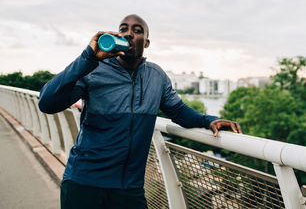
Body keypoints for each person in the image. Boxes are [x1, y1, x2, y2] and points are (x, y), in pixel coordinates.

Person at [39, 14, 242, 209]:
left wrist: (209, 121)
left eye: (137, 30)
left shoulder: (157, 76)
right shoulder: (94, 69)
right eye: (123, 29)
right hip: (84, 183)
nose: (129, 34)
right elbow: (47, 103)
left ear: (146, 43)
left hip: (129, 188)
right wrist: (88, 57)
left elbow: (179, 111)